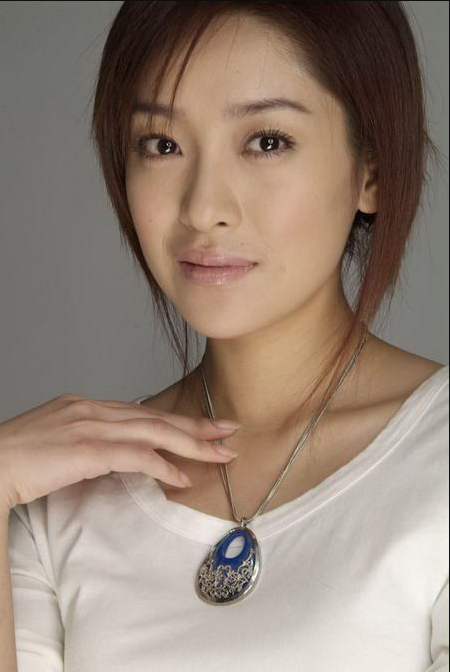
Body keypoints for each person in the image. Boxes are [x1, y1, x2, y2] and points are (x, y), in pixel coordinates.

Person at [1, 2, 448, 670]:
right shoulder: (56, 502)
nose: (204, 208)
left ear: (371, 172)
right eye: (162, 145)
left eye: (266, 141)